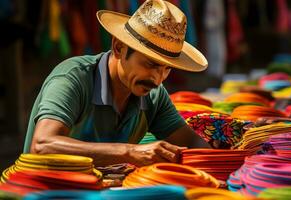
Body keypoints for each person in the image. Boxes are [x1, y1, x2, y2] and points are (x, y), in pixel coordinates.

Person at [23, 0, 211, 167]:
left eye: (167, 68)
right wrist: (129, 152)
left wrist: (227, 151)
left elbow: (192, 143)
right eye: (150, 64)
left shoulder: (153, 94)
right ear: (119, 47)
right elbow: (42, 145)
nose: (158, 78)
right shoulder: (73, 79)